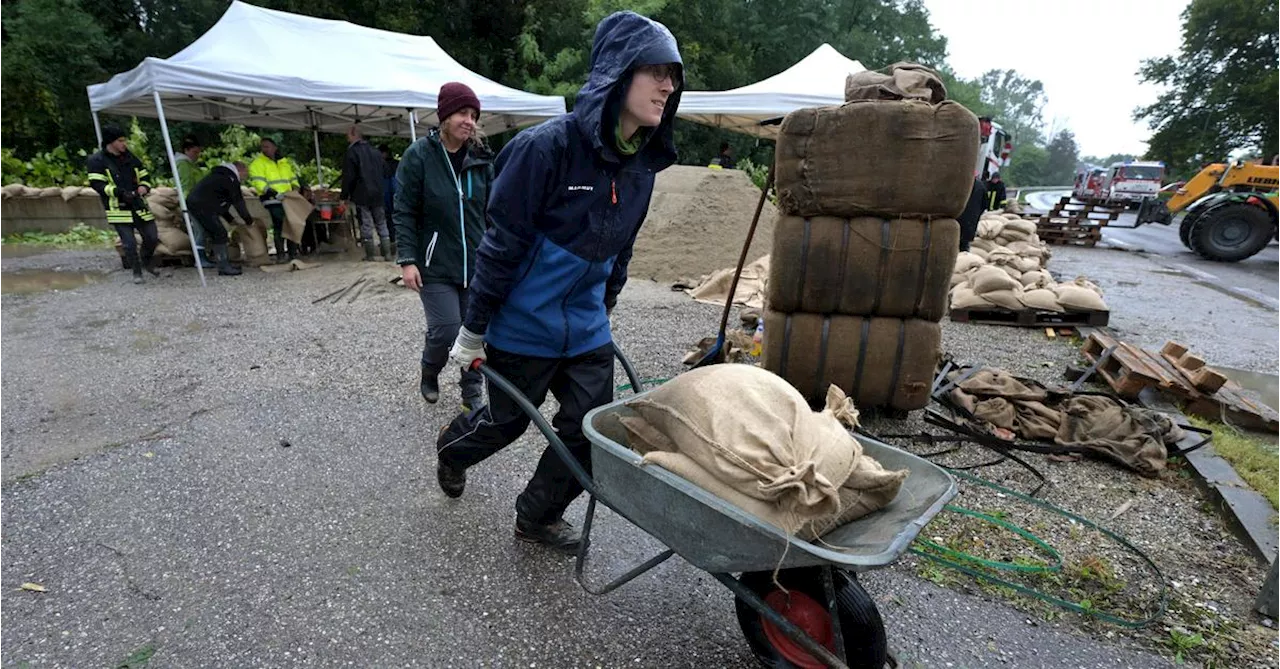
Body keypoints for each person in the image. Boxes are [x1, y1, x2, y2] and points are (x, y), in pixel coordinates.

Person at [434, 11, 683, 552]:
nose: (668, 84)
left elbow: (621, 251)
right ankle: (453, 451)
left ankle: (536, 515)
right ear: (618, 73)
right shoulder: (545, 148)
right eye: (656, 71)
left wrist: (604, 310)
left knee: (594, 431)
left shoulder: (641, 165)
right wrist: (473, 330)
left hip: (587, 331)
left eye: (674, 75)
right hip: (525, 328)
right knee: (505, 425)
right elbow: (500, 247)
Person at [394, 82, 494, 410]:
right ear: (445, 116)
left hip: (477, 262)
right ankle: (430, 369)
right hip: (435, 263)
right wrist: (407, 260)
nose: (469, 120)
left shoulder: (481, 158)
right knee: (446, 328)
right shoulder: (420, 156)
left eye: (473, 115)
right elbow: (404, 210)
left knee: (475, 331)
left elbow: (494, 211)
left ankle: (471, 393)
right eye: (462, 113)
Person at [87, 125, 160, 284]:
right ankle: (137, 271)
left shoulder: (130, 157)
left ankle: (146, 261)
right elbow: (97, 184)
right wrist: (119, 192)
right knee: (129, 243)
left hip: (138, 204)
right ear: (110, 142)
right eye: (120, 141)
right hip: (117, 207)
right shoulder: (96, 161)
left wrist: (144, 186)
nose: (124, 144)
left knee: (152, 236)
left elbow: (144, 174)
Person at [185, 161, 253, 277]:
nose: (244, 178)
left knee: (213, 232)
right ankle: (224, 266)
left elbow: (219, 202)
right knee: (219, 233)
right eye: (245, 174)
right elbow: (238, 203)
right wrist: (249, 220)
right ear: (240, 170)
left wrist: (230, 219)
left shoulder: (220, 177)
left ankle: (222, 263)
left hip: (196, 203)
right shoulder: (230, 179)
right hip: (202, 206)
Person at [248, 134, 300, 263]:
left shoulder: (284, 162)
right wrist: (273, 193)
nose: (264, 149)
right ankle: (281, 255)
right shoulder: (257, 164)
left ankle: (292, 254)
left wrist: (296, 188)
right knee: (280, 225)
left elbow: (292, 178)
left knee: (291, 224)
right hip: (272, 199)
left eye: (267, 146)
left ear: (275, 147)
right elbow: (259, 183)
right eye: (263, 147)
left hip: (288, 199)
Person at [342, 125, 392, 261]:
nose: (347, 137)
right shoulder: (375, 151)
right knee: (381, 222)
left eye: (348, 135)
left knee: (366, 223)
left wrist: (344, 196)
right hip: (378, 193)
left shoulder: (352, 153)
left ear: (353, 135)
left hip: (361, 194)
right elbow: (387, 171)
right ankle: (387, 254)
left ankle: (370, 255)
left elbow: (348, 176)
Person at [174, 135, 211, 268]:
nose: (197, 155)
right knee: (199, 230)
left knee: (200, 230)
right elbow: (185, 185)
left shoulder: (189, 164)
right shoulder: (183, 165)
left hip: (196, 200)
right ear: (186, 150)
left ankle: (202, 257)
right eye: (195, 152)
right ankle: (199, 259)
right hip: (192, 202)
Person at [958, 177, 987, 251]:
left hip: (959, 216)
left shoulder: (960, 182)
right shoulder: (981, 185)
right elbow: (985, 204)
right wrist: (977, 214)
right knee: (964, 245)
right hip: (971, 220)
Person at [379, 144, 398, 244]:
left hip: (389, 194)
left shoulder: (381, 165)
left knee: (389, 217)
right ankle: (392, 239)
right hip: (393, 195)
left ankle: (391, 239)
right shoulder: (396, 164)